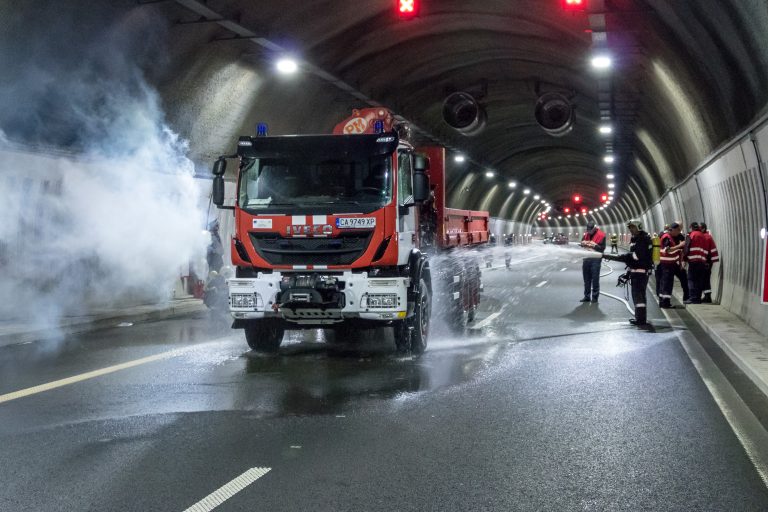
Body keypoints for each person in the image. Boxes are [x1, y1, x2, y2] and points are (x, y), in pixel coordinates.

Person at [603, 219, 653, 326]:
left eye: (633, 227)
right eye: (630, 228)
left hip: (640, 273)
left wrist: (622, 257)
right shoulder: (636, 239)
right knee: (638, 296)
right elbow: (632, 258)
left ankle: (641, 320)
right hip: (636, 271)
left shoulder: (642, 239)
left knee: (638, 296)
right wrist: (628, 272)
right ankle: (640, 318)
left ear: (639, 227)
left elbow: (636, 256)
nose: (631, 229)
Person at [657, 222, 685, 308]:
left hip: (668, 264)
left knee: (664, 283)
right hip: (667, 264)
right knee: (667, 283)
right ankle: (665, 303)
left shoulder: (669, 236)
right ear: (672, 230)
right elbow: (667, 250)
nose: (678, 233)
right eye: (678, 230)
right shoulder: (667, 237)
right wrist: (679, 245)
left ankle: (662, 301)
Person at [579, 221, 606, 303]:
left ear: (595, 228)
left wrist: (594, 245)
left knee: (595, 278)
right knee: (586, 279)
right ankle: (587, 296)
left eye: (590, 230)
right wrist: (583, 243)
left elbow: (602, 248)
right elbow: (582, 242)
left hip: (596, 259)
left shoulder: (601, 235)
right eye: (588, 230)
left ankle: (595, 297)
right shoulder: (586, 234)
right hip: (586, 258)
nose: (589, 232)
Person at [684, 222, 708, 304]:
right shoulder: (703, 235)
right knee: (699, 280)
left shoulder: (691, 235)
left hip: (693, 261)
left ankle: (693, 298)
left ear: (691, 227)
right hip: (702, 261)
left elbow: (686, 247)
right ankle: (698, 298)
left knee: (691, 279)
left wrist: (684, 259)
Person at [700, 223, 719, 303]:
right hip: (707, 261)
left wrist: (706, 261)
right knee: (705, 278)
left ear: (703, 229)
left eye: (700, 228)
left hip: (707, 261)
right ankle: (706, 296)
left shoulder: (706, 237)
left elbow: (705, 251)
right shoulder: (706, 236)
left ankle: (708, 297)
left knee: (705, 279)